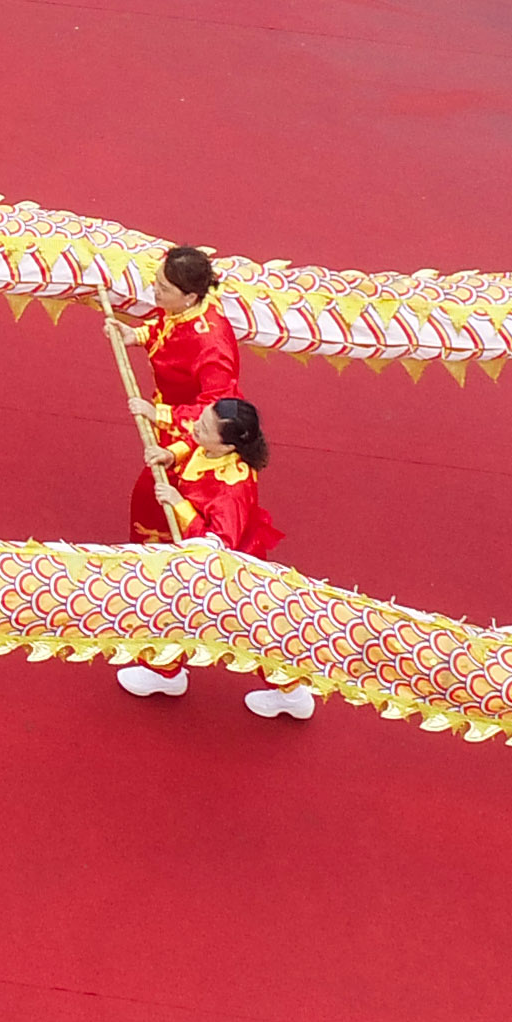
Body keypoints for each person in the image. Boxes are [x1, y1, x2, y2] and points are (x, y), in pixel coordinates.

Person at [115, 397, 319, 717]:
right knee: (174, 612)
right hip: (197, 561)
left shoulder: (231, 491)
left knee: (250, 634)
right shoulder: (213, 447)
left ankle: (291, 692)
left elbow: (217, 547)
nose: (196, 426)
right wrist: (172, 454)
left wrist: (179, 505)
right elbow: (194, 442)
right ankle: (165, 671)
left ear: (227, 446)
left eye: (205, 426)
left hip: (227, 573)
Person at [121, 245, 241, 537]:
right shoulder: (186, 309)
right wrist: (137, 335)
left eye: (163, 288)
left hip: (195, 433)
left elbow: (215, 408)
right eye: (157, 281)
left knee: (159, 501)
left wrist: (159, 414)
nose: (155, 290)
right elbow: (169, 326)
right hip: (172, 417)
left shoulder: (212, 347)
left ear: (189, 295)